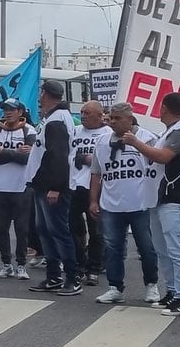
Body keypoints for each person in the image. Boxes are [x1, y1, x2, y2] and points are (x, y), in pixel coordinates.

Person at [123, 91, 180, 318]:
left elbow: (163, 156)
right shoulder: (169, 131)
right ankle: (172, 291)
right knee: (163, 249)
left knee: (177, 249)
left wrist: (135, 142)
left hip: (176, 196)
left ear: (164, 107)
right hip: (159, 196)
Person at [90, 104, 162, 305]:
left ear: (130, 119)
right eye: (110, 118)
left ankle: (151, 285)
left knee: (146, 247)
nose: (112, 122)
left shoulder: (148, 138)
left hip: (141, 204)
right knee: (113, 248)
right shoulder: (102, 141)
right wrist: (93, 200)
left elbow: (159, 164)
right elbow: (96, 173)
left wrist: (136, 143)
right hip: (112, 205)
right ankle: (115, 287)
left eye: (117, 118)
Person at [29, 81, 82, 295]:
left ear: (45, 93)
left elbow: (59, 156)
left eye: (41, 92)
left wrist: (56, 187)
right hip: (44, 184)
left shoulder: (57, 120)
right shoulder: (53, 118)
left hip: (52, 186)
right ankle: (54, 277)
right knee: (45, 231)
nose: (39, 97)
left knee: (58, 232)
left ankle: (72, 277)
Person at [0, 101, 35, 279]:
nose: (8, 113)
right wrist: (14, 154)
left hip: (21, 186)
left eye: (12, 110)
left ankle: (21, 264)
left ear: (20, 111)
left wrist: (2, 152)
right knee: (0, 227)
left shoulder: (29, 130)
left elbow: (27, 159)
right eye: (5, 110)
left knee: (22, 228)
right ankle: (6, 264)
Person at [68, 101, 107, 281]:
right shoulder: (75, 132)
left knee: (96, 231)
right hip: (75, 186)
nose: (83, 116)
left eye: (88, 113)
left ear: (100, 116)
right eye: (82, 112)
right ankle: (79, 263)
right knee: (74, 228)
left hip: (98, 188)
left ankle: (94, 267)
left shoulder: (107, 134)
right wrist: (83, 157)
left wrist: (87, 159)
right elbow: (69, 156)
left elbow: (104, 161)